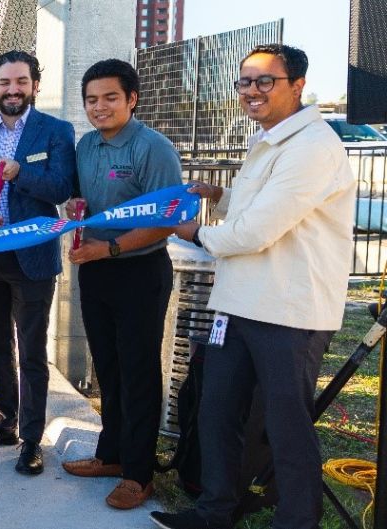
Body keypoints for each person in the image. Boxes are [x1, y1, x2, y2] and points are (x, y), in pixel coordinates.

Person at [154, 44, 356, 529]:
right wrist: (221, 196)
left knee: (287, 429)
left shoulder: (312, 147)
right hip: (235, 304)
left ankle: (295, 521)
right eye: (245, 81)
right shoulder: (266, 139)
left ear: (297, 85)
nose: (252, 91)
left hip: (288, 313)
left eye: (265, 80)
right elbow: (252, 209)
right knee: (217, 413)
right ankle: (214, 512)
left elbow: (256, 231)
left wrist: (195, 233)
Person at [61, 58, 181, 510]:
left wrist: (109, 249)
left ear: (132, 99)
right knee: (107, 367)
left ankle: (138, 474)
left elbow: (168, 218)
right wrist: (76, 213)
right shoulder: (87, 146)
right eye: (92, 100)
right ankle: (110, 455)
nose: (100, 107)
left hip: (139, 272)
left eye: (110, 97)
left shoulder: (153, 148)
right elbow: (81, 201)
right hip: (95, 270)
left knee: (138, 372)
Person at [0, 50, 76, 475]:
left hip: (32, 257)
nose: (13, 90)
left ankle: (31, 439)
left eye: (21, 82)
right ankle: (3, 421)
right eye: (5, 83)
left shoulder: (56, 131)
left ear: (34, 85)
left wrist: (18, 174)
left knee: (31, 351)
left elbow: (62, 187)